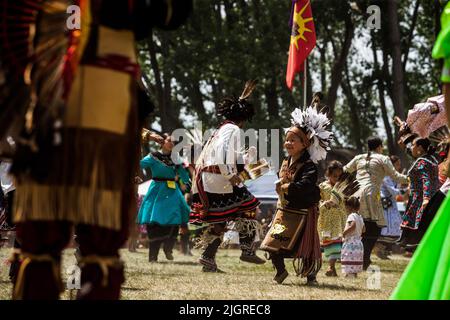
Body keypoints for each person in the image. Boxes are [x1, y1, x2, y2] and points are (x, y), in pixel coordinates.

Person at [4, 0, 192, 300]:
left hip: (88, 113)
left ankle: (75, 279)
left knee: (79, 243)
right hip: (70, 111)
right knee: (54, 241)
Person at [189, 81, 265, 272]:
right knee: (250, 207)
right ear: (243, 118)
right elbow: (224, 154)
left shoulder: (222, 129)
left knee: (221, 220)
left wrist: (248, 158)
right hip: (220, 179)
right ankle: (247, 250)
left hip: (210, 179)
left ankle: (207, 258)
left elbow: (232, 158)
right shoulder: (233, 129)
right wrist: (230, 175)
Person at [260, 99, 333, 285]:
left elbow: (305, 186)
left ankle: (311, 277)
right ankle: (281, 271)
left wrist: (286, 187)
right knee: (271, 243)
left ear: (305, 144)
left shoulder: (309, 166)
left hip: (304, 211)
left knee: (306, 247)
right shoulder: (285, 162)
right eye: (287, 139)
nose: (288, 143)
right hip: (284, 211)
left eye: (293, 140)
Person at [344, 136, 408, 270]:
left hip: (356, 193)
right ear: (379, 146)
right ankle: (364, 259)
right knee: (375, 228)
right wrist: (410, 179)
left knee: (361, 226)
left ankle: (359, 259)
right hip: (372, 194)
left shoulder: (359, 157)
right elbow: (396, 176)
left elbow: (345, 170)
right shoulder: (383, 158)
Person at [137, 133, 191, 262]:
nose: (172, 143)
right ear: (162, 142)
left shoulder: (176, 157)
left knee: (176, 217)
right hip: (156, 190)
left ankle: (168, 248)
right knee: (154, 222)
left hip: (172, 191)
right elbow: (139, 165)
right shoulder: (153, 156)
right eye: (169, 140)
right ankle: (153, 256)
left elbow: (183, 173)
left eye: (174, 142)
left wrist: (187, 183)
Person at [399, 137, 440, 254]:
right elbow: (415, 155)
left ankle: (413, 247)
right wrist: (405, 147)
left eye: (413, 145)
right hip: (429, 197)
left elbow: (425, 180)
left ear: (420, 148)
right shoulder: (431, 159)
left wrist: (426, 198)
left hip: (420, 198)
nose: (411, 147)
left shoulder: (422, 162)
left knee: (417, 225)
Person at [318, 160, 347, 277]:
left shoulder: (344, 187)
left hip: (339, 218)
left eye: (339, 176)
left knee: (336, 242)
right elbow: (318, 200)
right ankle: (332, 267)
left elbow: (347, 200)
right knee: (328, 242)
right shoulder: (323, 186)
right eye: (334, 176)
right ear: (328, 174)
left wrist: (338, 202)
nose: (337, 178)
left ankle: (331, 266)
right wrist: (325, 203)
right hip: (326, 218)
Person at [377, 155, 407, 258]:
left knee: (395, 227)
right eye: (397, 164)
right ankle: (380, 249)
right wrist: (407, 190)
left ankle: (384, 250)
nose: (399, 166)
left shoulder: (395, 176)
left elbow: (397, 192)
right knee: (385, 228)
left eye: (399, 164)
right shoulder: (385, 176)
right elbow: (394, 192)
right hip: (385, 205)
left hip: (392, 205)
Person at [341, 197, 365, 278]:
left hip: (351, 242)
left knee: (349, 257)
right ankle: (354, 274)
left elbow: (353, 225)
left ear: (349, 207)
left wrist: (344, 233)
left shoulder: (351, 216)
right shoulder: (360, 217)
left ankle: (349, 275)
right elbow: (364, 229)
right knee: (355, 258)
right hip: (358, 242)